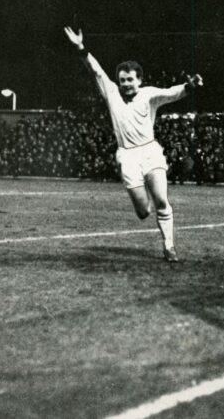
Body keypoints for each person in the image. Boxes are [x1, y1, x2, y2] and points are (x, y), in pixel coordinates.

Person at [63, 26, 203, 263]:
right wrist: (80, 48)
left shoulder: (149, 94)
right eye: (122, 80)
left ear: (139, 80)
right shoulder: (112, 94)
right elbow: (96, 72)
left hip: (150, 151)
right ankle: (140, 197)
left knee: (161, 200)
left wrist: (190, 86)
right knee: (143, 212)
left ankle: (169, 247)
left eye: (130, 79)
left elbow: (173, 92)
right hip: (127, 156)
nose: (126, 84)